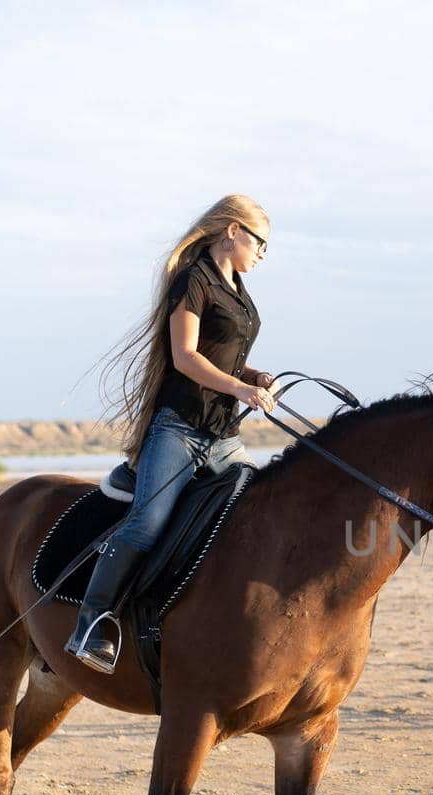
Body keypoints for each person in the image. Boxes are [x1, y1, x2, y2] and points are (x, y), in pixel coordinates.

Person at [65, 194, 278, 673]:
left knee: (254, 513)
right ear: (233, 231)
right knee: (148, 522)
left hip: (222, 435)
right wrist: (241, 390)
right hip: (179, 430)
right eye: (260, 242)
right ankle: (92, 623)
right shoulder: (194, 281)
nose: (263, 254)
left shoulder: (238, 288)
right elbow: (185, 357)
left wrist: (255, 377)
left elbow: (224, 356)